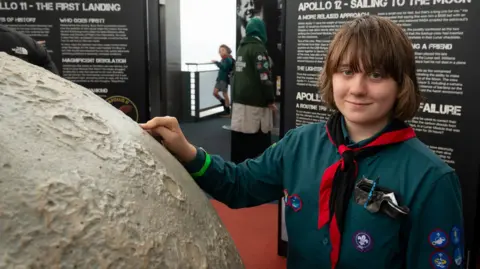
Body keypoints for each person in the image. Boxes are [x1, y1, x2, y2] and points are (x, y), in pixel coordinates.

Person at [140, 15, 464, 269]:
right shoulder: (299, 145)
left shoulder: (431, 180)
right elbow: (239, 186)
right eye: (347, 71)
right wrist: (187, 151)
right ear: (331, 76)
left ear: (400, 84)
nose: (357, 88)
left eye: (376, 75)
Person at [229, 17, 276, 164]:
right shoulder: (258, 48)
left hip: (238, 103)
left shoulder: (241, 47)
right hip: (255, 104)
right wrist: (270, 99)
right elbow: (264, 77)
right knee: (257, 145)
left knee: (240, 143)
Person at [211, 44, 234, 117]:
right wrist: (218, 62)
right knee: (215, 93)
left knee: (225, 94)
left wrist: (216, 63)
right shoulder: (224, 59)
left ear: (227, 51)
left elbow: (224, 68)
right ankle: (223, 102)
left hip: (224, 79)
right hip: (220, 79)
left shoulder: (228, 59)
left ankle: (227, 111)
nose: (221, 52)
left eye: (223, 50)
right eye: (220, 51)